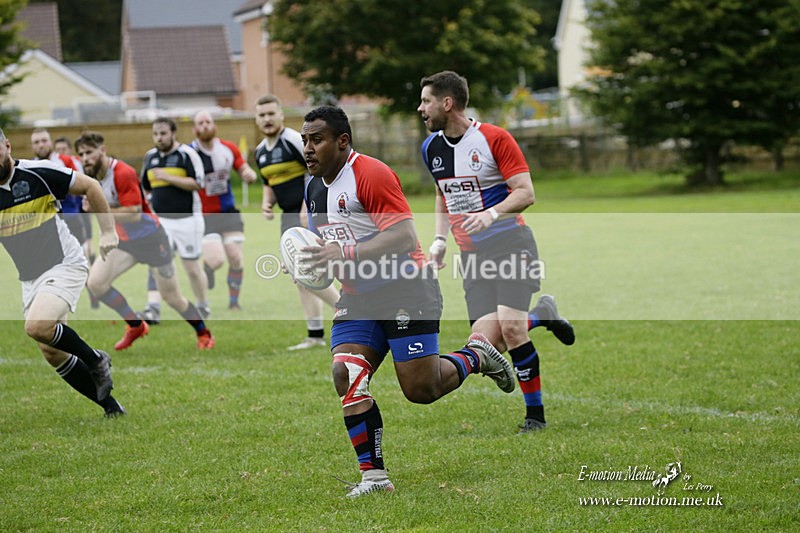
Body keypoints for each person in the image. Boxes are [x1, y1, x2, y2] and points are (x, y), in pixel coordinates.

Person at [298, 106, 516, 497]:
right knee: (345, 374)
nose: (309, 148)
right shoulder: (313, 187)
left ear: (342, 141)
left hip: (407, 290)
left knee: (421, 390)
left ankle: (478, 353)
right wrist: (307, 263)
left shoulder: (370, 173)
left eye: (317, 139)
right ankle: (375, 478)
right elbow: (326, 248)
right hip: (359, 297)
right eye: (305, 141)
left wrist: (344, 253)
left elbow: (402, 236)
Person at [417, 71, 575, 434]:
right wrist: (440, 241)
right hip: (472, 257)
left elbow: (525, 192)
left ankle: (534, 416)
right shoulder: (431, 149)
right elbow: (443, 196)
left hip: (511, 244)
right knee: (488, 343)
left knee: (513, 331)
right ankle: (544, 315)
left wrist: (490, 214)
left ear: (447, 103)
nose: (420, 108)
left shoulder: (494, 138)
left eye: (426, 101)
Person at [0, 127, 124, 417]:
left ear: (7, 145)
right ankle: (111, 408)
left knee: (36, 327)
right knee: (51, 350)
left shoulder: (38, 172)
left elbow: (91, 186)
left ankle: (96, 360)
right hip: (30, 277)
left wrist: (108, 232)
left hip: (64, 263)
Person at [75, 131, 215, 350]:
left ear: (102, 150)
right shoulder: (90, 178)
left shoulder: (123, 172)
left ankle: (203, 332)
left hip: (151, 240)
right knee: (96, 283)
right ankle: (135, 325)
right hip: (125, 241)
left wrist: (98, 210)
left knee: (172, 297)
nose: (85, 158)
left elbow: (134, 213)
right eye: (81, 154)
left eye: (89, 153)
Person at [254, 94, 339, 350]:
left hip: (308, 211)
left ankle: (345, 309)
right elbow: (269, 181)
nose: (267, 119)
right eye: (262, 115)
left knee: (308, 268)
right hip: (288, 216)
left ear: (281, 114)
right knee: (298, 272)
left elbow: (317, 170)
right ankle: (315, 333)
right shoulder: (260, 152)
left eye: (271, 113)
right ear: (256, 119)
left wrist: (307, 207)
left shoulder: (293, 140)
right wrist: (266, 202)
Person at [139, 117, 210, 323]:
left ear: (173, 133)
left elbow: (198, 183)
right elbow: (146, 187)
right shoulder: (150, 157)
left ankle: (203, 305)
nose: (159, 138)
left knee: (192, 268)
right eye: (155, 134)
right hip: (161, 221)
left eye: (163, 133)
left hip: (188, 219)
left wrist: (168, 177)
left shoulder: (187, 154)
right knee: (157, 263)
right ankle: (153, 308)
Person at [190, 110, 257, 310]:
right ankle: (208, 270)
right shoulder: (189, 153)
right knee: (216, 260)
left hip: (228, 212)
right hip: (204, 215)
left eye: (208, 122)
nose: (204, 126)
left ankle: (234, 303)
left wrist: (248, 173)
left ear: (214, 126)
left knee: (236, 258)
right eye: (200, 123)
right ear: (194, 129)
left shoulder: (228, 148)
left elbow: (242, 167)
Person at [32, 129, 99, 308]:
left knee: (80, 259)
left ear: (50, 142)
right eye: (37, 142)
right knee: (50, 266)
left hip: (71, 219)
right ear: (32, 146)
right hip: (45, 225)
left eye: (44, 141)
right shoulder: (29, 167)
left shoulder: (66, 161)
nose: (41, 145)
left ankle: (94, 292)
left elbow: (84, 185)